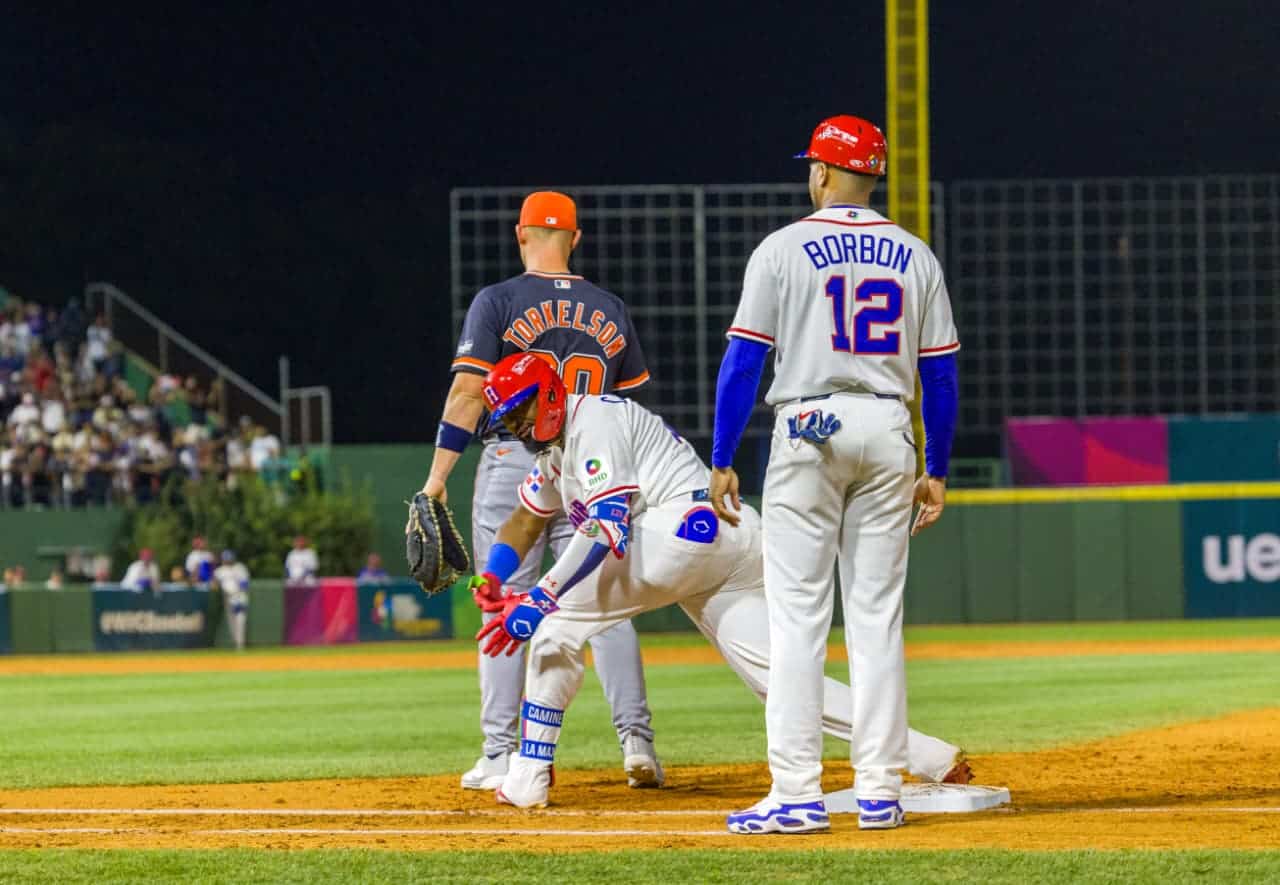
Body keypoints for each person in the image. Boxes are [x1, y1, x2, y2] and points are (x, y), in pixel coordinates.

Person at [472, 354, 968, 810]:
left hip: (680, 532)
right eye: (510, 420)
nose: (518, 426)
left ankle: (529, 774)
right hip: (726, 541)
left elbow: (605, 523)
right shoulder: (556, 457)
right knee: (783, 682)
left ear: (552, 395)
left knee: (554, 624)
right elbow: (523, 521)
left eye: (522, 410)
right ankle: (930, 754)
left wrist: (541, 595)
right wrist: (493, 575)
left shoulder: (593, 419)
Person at [709, 116, 961, 833]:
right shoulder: (915, 254)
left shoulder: (784, 248)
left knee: (798, 619)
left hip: (809, 425)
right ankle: (880, 789)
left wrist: (724, 456)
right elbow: (939, 377)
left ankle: (795, 793)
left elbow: (744, 362)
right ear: (872, 177)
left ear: (821, 172)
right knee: (877, 618)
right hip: (888, 426)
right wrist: (936, 466)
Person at [420, 190, 661, 792]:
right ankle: (637, 745)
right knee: (605, 603)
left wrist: (438, 477)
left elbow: (468, 395)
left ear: (520, 234)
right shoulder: (609, 306)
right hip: (588, 463)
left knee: (502, 599)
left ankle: (501, 754)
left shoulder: (498, 300)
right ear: (575, 239)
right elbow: (622, 406)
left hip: (514, 461)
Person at [214, 550, 251, 650]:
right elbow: (215, 584)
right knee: (231, 622)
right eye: (226, 558)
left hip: (239, 596)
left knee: (241, 620)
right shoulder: (220, 571)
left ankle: (240, 644)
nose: (227, 560)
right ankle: (237, 642)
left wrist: (238, 592)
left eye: (229, 558)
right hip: (227, 598)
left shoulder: (239, 568)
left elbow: (245, 583)